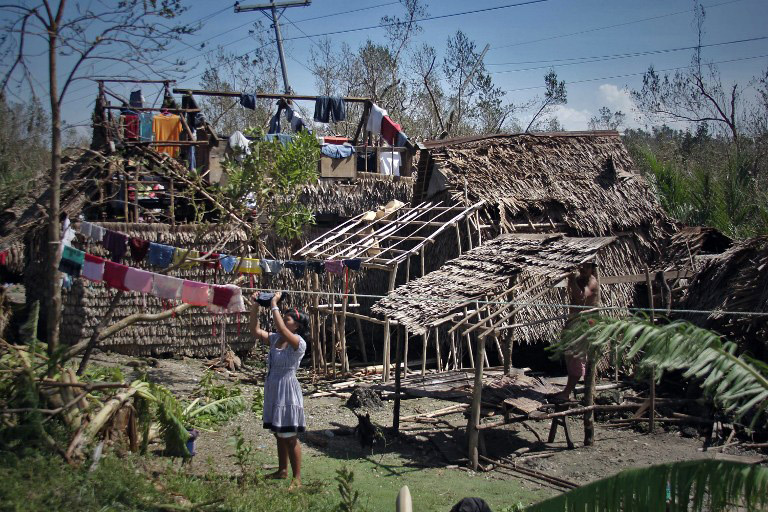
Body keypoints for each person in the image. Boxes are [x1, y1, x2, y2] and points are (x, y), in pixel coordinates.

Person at [249, 291, 309, 489]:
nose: (285, 317)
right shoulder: (276, 339)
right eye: (285, 315)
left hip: (288, 390)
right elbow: (254, 331)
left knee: (290, 436)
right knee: (278, 432)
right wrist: (256, 306)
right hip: (274, 388)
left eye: (289, 317)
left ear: (298, 326)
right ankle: (282, 471)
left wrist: (274, 302)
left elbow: (282, 330)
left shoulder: (298, 343)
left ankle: (297, 478)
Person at [550, 262, 600, 402]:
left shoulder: (592, 282)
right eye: (581, 266)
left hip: (585, 324)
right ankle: (569, 390)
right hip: (575, 321)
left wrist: (571, 281)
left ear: (592, 268)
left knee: (576, 357)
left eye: (587, 266)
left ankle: (567, 393)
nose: (583, 269)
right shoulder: (579, 278)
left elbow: (581, 298)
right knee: (570, 354)